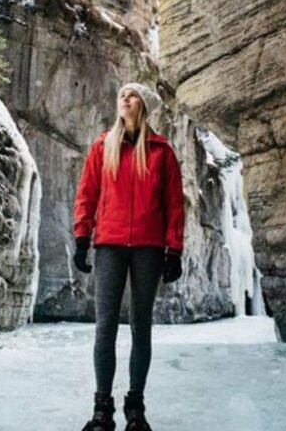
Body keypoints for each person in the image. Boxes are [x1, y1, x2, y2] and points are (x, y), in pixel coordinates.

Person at [73, 82, 185, 431]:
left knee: (141, 327)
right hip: (109, 246)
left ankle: (135, 409)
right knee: (105, 328)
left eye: (133, 95)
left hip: (149, 249)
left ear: (144, 106)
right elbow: (87, 194)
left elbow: (174, 204)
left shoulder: (162, 152)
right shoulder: (102, 146)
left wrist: (174, 249)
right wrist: (81, 237)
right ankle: (102, 411)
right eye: (121, 94)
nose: (125, 98)